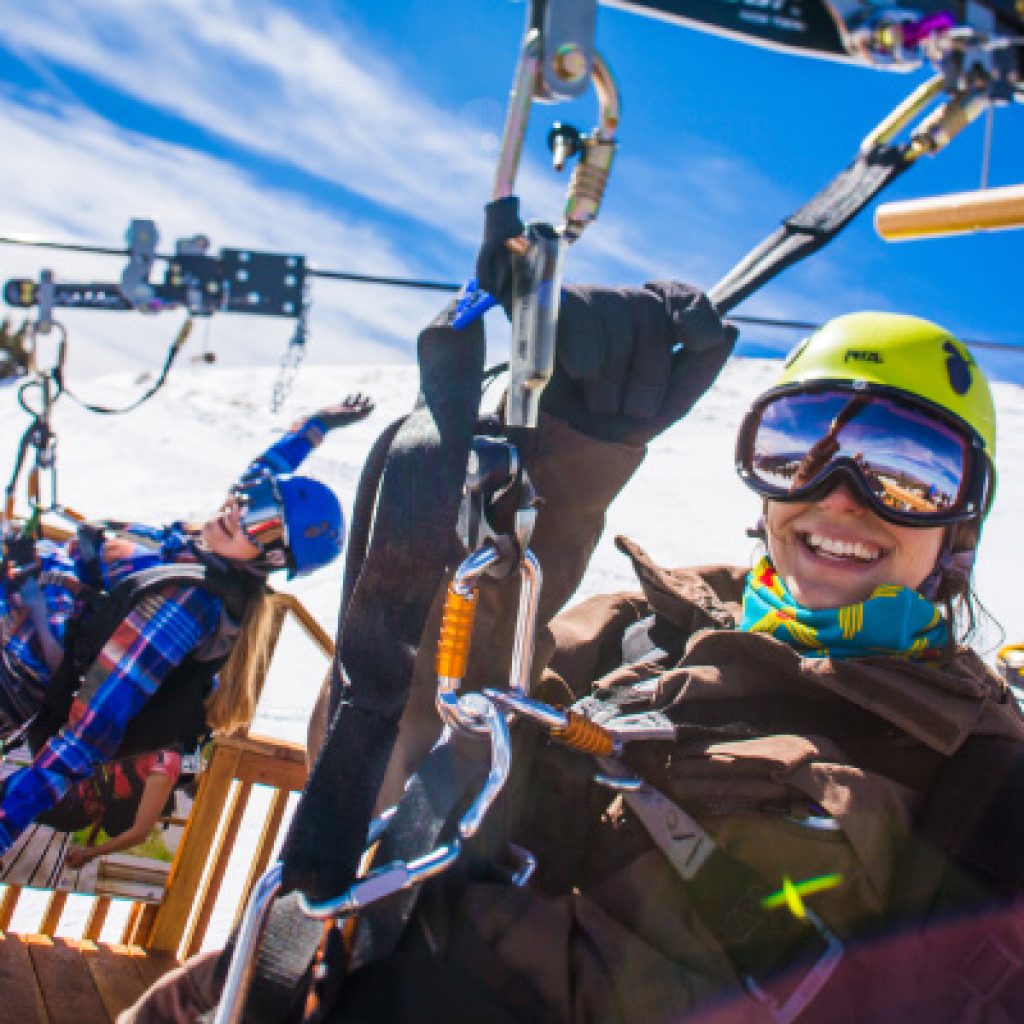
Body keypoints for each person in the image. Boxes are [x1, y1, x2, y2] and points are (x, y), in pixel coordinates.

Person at [122, 205, 1023, 1023]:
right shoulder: (637, 632)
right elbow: (379, 765)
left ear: (961, 529)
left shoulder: (983, 780)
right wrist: (559, 470)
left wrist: (473, 960)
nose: (841, 497)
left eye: (908, 473)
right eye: (798, 450)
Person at [0, 394, 374, 858]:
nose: (238, 511)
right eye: (248, 501)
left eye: (259, 521)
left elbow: (89, 733)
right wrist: (318, 425)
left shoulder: (187, 605)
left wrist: (5, 822)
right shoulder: (208, 547)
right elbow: (263, 470)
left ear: (274, 559)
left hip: (12, 666)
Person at [38, 748, 184, 871]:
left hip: (73, 807)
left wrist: (87, 855)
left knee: (22, 802)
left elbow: (139, 833)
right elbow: (109, 778)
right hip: (71, 778)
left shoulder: (165, 763)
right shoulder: (150, 733)